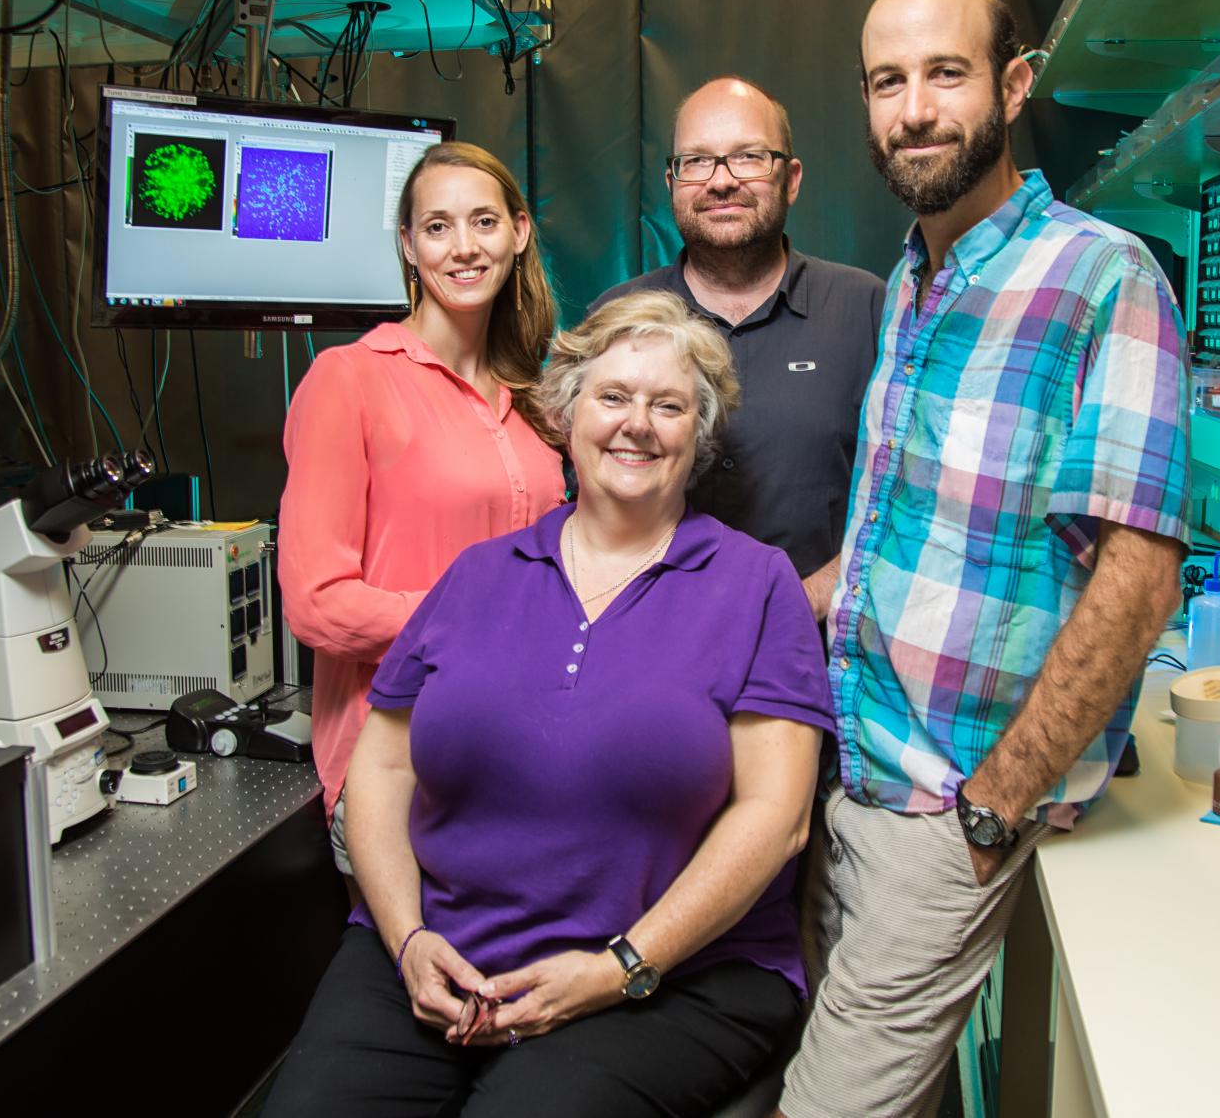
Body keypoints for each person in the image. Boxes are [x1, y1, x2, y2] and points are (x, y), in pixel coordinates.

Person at [777, 0, 1190, 1118]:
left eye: (945, 74)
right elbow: (897, 535)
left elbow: (1140, 576)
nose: (914, 109)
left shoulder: (1105, 278)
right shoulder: (916, 279)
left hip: (943, 813)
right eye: (886, 82)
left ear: (1012, 87)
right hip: (845, 773)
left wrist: (994, 806)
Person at [262, 291, 833, 1117]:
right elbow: (381, 764)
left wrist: (622, 965)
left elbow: (775, 817)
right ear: (567, 414)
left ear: (697, 435)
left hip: (676, 975)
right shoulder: (477, 574)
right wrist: (407, 937)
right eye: (612, 397)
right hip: (443, 951)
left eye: (667, 405)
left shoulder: (755, 584)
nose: (636, 423)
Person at [277, 142, 566, 879]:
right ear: (408, 245)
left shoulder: (536, 393)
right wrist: (476, 623)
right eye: (437, 227)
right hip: (400, 760)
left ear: (520, 231)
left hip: (520, 751)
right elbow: (317, 604)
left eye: (483, 222)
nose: (463, 247)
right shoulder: (349, 380)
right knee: (425, 983)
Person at [590, 76, 885, 619]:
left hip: (816, 657)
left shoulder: (866, 308)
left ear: (791, 179)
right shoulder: (615, 318)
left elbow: (908, 496)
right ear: (672, 182)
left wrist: (805, 602)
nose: (721, 181)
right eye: (697, 162)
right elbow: (583, 497)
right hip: (646, 643)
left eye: (749, 157)